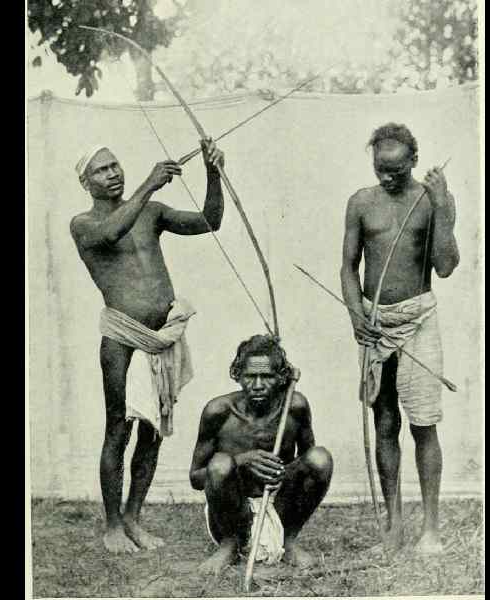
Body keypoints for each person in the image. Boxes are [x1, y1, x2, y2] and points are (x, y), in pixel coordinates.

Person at [69, 138, 225, 554]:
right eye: (101, 170)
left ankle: (134, 517)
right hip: (123, 335)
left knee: (152, 432)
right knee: (118, 429)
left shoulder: (150, 213)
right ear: (86, 182)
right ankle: (113, 526)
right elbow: (113, 230)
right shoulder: (83, 223)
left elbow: (210, 221)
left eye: (115, 164)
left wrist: (213, 172)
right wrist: (149, 185)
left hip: (162, 338)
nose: (113, 173)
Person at [340, 123, 459, 554]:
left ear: (414, 160)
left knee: (423, 422)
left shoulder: (432, 200)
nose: (387, 178)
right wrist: (357, 315)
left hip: (418, 319)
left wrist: (443, 207)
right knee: (384, 421)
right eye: (379, 169)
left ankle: (430, 530)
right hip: (375, 322)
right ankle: (392, 529)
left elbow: (445, 266)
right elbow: (348, 268)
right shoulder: (360, 202)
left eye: (395, 170)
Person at [189, 335, 333, 574]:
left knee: (320, 458)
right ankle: (229, 545)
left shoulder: (294, 407)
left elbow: (308, 466)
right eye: (249, 376)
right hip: (233, 511)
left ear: (281, 378)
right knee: (220, 464)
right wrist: (242, 461)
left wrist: (281, 473)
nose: (257, 385)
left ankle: (288, 540)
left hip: (278, 504)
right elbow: (196, 478)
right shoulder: (218, 411)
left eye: (266, 376)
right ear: (237, 374)